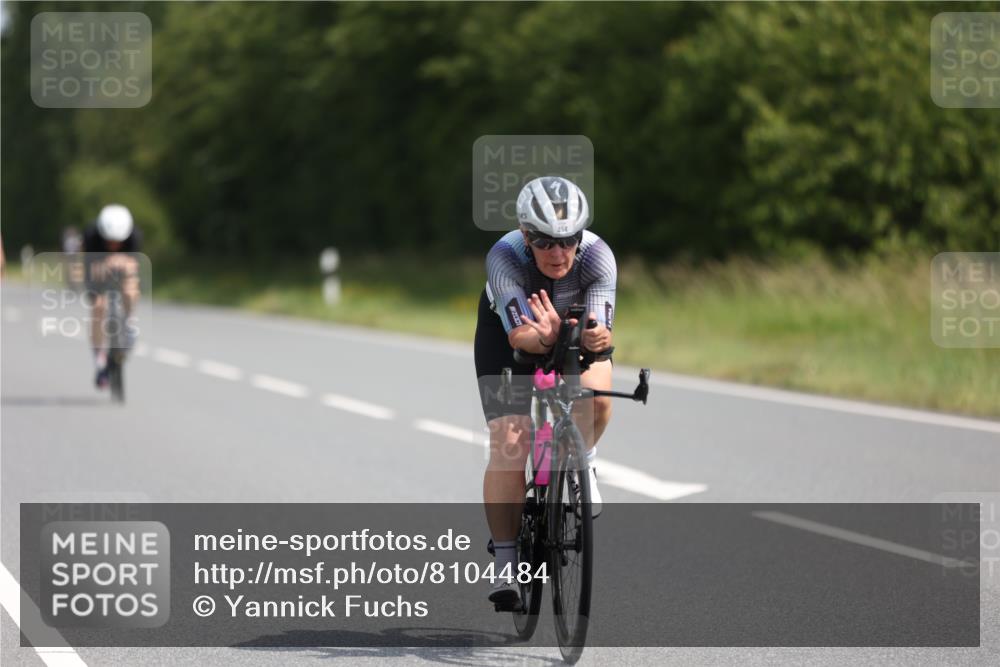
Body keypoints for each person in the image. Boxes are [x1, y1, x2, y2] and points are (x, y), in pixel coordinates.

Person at [474, 176, 616, 610]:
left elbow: (602, 334)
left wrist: (594, 339)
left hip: (571, 324)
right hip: (512, 336)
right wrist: (546, 337)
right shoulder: (505, 256)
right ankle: (505, 561)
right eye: (544, 241)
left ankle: (585, 459)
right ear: (525, 235)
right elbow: (520, 337)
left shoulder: (598, 256)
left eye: (568, 240)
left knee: (598, 399)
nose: (558, 253)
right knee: (510, 440)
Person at [83, 204, 142, 389]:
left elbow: (135, 265)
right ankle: (99, 361)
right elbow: (89, 270)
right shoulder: (91, 235)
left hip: (124, 270)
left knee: (130, 289)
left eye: (118, 242)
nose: (114, 246)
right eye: (109, 241)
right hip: (97, 270)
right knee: (98, 306)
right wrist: (105, 264)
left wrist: (122, 262)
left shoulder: (134, 235)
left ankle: (129, 323)